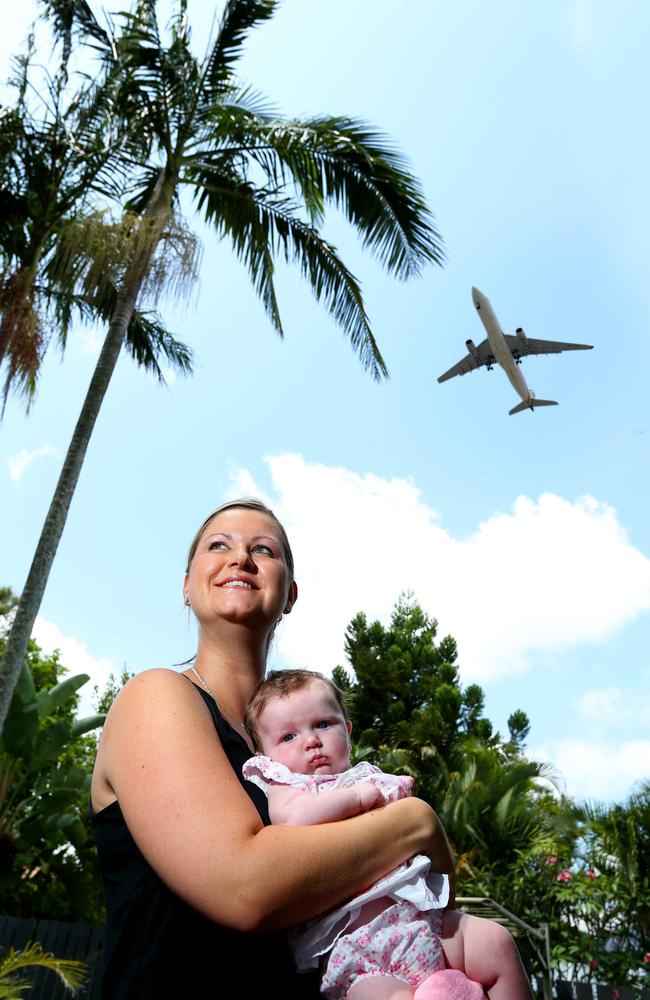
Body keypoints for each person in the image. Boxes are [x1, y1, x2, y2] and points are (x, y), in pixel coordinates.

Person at [90, 499, 467, 999]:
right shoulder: (158, 697)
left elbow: (420, 892)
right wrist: (415, 821)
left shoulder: (297, 757)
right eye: (218, 545)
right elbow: (244, 887)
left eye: (262, 549)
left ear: (289, 594)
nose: (240, 558)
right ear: (186, 586)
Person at [243, 669, 534, 1000]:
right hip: (359, 950)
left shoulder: (368, 775)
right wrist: (354, 799)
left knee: (498, 942)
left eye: (323, 724)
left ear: (348, 730)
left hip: (423, 922)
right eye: (288, 737)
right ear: (266, 759)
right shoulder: (289, 786)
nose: (311, 740)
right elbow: (292, 819)